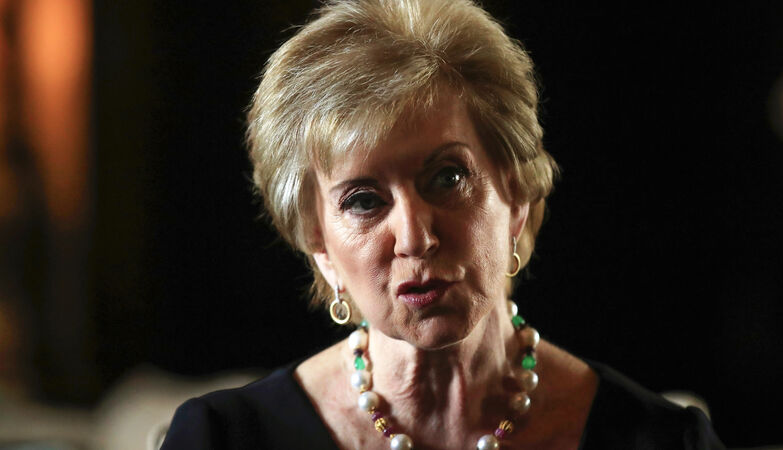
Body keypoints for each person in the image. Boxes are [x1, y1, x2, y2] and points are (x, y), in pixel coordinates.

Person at [162, 0, 725, 448]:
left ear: (515, 193)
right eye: (363, 200)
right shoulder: (223, 438)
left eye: (447, 178)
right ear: (320, 246)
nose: (416, 237)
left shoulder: (661, 439)